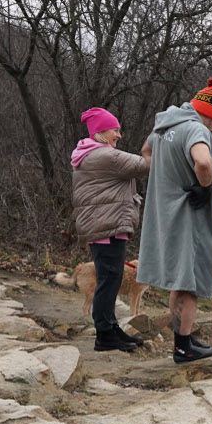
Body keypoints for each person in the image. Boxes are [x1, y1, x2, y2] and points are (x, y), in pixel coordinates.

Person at [137, 77, 212, 364]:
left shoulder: (164, 127)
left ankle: (183, 341)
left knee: (179, 278)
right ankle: (183, 348)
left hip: (165, 212)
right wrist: (204, 186)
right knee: (189, 281)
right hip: (189, 214)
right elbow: (203, 161)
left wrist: (166, 180)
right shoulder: (195, 128)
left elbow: (146, 151)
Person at [71, 107, 151, 354]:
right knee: (109, 280)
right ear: (101, 132)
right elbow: (145, 165)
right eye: (115, 130)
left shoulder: (92, 154)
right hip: (106, 226)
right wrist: (154, 141)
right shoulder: (106, 156)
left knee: (111, 279)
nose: (119, 135)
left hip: (106, 225)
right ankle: (105, 335)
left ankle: (111, 328)